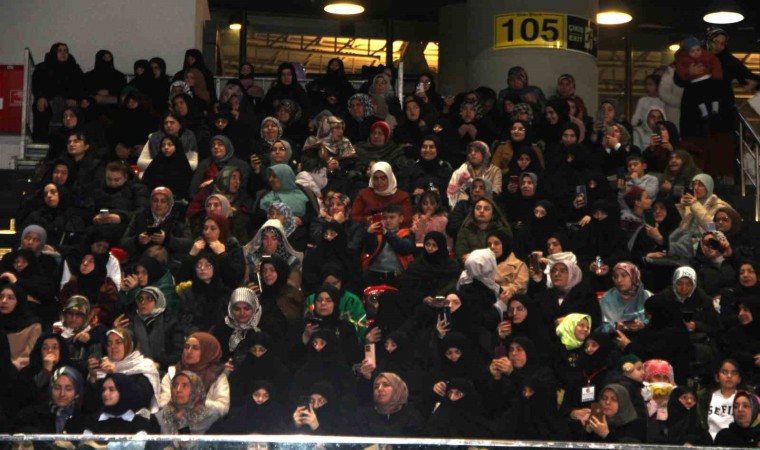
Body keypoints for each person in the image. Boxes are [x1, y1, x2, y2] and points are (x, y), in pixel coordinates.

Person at [86, 327, 161, 412]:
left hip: (133, 417)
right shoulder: (103, 365)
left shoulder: (144, 366)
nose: (113, 347)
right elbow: (91, 405)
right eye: (109, 343)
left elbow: (140, 401)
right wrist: (93, 378)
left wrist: (115, 374)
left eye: (118, 342)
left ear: (130, 345)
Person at [159, 332, 230, 419]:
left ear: (207, 352)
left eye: (195, 348)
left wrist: (197, 402)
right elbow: (162, 402)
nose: (189, 351)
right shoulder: (173, 372)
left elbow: (223, 408)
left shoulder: (217, 376)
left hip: (206, 423)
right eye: (186, 347)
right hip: (173, 421)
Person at [15, 365, 87, 434]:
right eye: (57, 388)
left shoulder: (83, 417)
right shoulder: (30, 415)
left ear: (77, 391)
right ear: (50, 388)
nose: (62, 394)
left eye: (68, 389)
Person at [85, 373, 158, 434]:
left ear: (124, 392)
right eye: (104, 389)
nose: (105, 393)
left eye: (111, 389)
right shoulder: (93, 420)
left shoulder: (141, 422)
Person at [362, 204, 415, 287]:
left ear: (401, 219)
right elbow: (369, 250)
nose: (388, 220)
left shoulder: (406, 234)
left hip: (395, 275)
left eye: (392, 217)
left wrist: (386, 233)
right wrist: (369, 234)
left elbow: (404, 248)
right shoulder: (376, 234)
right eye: (385, 218)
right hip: (374, 273)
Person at [355, 372, 424, 437]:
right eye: (376, 387)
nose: (379, 389)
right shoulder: (364, 414)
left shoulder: (411, 415)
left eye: (386, 385)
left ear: (398, 389)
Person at [153, 370, 220, 435]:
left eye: (184, 386)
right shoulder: (161, 416)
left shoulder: (211, 419)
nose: (178, 390)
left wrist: (181, 422)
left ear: (196, 390)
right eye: (175, 385)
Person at [352, 161, 413, 228]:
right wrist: (366, 220)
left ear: (390, 178)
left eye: (383, 178)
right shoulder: (364, 194)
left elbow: (407, 221)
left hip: (395, 232)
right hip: (367, 230)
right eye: (375, 178)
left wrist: (391, 222)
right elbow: (353, 217)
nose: (379, 182)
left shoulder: (402, 197)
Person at [214, 287, 262, 365]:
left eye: (246, 308)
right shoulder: (221, 328)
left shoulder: (264, 326)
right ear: (230, 310)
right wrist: (222, 366)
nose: (242, 313)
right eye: (237, 309)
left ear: (254, 308)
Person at [447, 140, 502, 208]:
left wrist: (470, 183)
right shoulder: (461, 171)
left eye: (477, 151)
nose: (472, 153)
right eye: (470, 151)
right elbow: (450, 195)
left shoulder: (495, 171)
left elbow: (496, 192)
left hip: (487, 207)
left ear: (485, 154)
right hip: (464, 208)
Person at [0, 284, 42, 370]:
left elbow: (27, 356)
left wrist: (8, 370)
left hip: (16, 372)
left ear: (19, 302)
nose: (4, 301)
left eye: (10, 298)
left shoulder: (33, 326)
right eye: (1, 297)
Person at [599, 262, 652, 329]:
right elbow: (603, 326)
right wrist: (615, 327)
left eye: (624, 276)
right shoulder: (607, 298)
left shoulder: (646, 295)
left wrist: (643, 325)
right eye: (615, 276)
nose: (619, 280)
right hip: (615, 334)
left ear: (634, 276)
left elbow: (656, 321)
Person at [707, 359, 743, 440]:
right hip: (708, 441)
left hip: (734, 441)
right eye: (725, 372)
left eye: (734, 373)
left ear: (739, 379)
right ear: (717, 377)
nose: (729, 376)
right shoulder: (705, 398)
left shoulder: (745, 399)